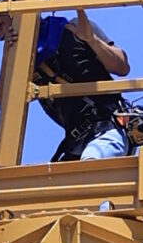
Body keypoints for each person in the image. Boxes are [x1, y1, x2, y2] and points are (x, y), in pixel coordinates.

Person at [30, 9, 133, 160]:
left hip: (105, 129)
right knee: (61, 181)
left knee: (89, 165)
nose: (0, 35)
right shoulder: (24, 62)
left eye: (0, 25)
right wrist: (8, 57)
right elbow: (8, 107)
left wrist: (92, 40)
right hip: (76, 145)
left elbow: (122, 67)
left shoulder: (74, 28)